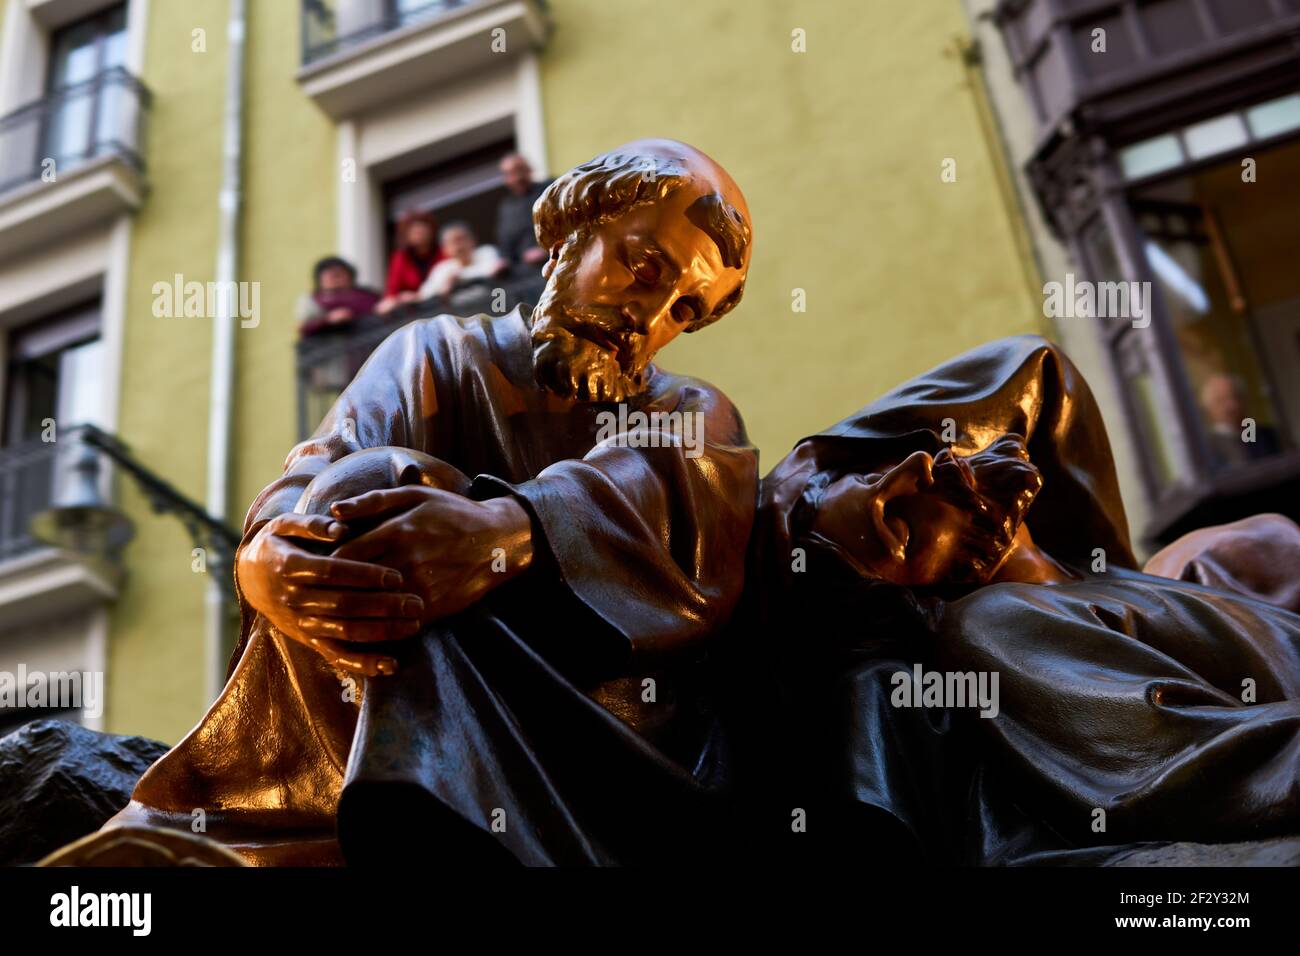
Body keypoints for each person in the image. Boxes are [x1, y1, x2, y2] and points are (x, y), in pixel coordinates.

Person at [98, 140, 756, 867]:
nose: (650, 315)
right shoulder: (432, 356)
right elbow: (324, 464)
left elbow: (669, 512)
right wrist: (265, 560)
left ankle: (419, 817)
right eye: (643, 266)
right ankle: (393, 812)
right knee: (367, 484)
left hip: (599, 746)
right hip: (376, 695)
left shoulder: (689, 414)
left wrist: (508, 532)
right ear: (573, 229)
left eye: (684, 309)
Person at [751, 336, 1300, 865]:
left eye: (876, 472)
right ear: (919, 597)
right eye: (895, 519)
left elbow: (1037, 366)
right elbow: (1212, 772)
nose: (918, 465)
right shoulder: (995, 623)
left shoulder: (1204, 563)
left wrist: (824, 456)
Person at [1200, 372, 1281, 465]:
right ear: (1210, 409)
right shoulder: (1207, 449)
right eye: (1221, 401)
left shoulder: (1268, 436)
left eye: (1235, 397)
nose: (1232, 406)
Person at [417, 222, 507, 301]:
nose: (459, 245)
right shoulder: (442, 268)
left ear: (473, 239)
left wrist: (457, 278)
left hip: (494, 305)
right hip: (462, 315)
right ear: (444, 249)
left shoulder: (486, 251)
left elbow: (492, 271)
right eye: (453, 241)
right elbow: (425, 294)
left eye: (462, 239)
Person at [375, 209, 440, 315]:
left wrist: (418, 296)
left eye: (423, 228)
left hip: (440, 305)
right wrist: (393, 300)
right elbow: (392, 289)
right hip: (413, 313)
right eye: (414, 230)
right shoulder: (401, 258)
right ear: (406, 235)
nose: (419, 232)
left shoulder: (442, 252)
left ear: (432, 231)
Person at [295, 256, 380, 336]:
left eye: (339, 274)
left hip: (366, 341)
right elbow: (302, 327)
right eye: (330, 275)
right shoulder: (312, 300)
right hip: (326, 347)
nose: (336, 278)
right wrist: (328, 320)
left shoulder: (367, 296)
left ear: (350, 276)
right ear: (320, 279)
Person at [495, 152, 551, 269]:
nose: (517, 177)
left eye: (520, 170)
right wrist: (503, 262)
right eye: (510, 173)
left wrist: (546, 250)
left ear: (529, 169)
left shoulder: (550, 189)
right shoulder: (507, 208)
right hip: (526, 272)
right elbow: (506, 245)